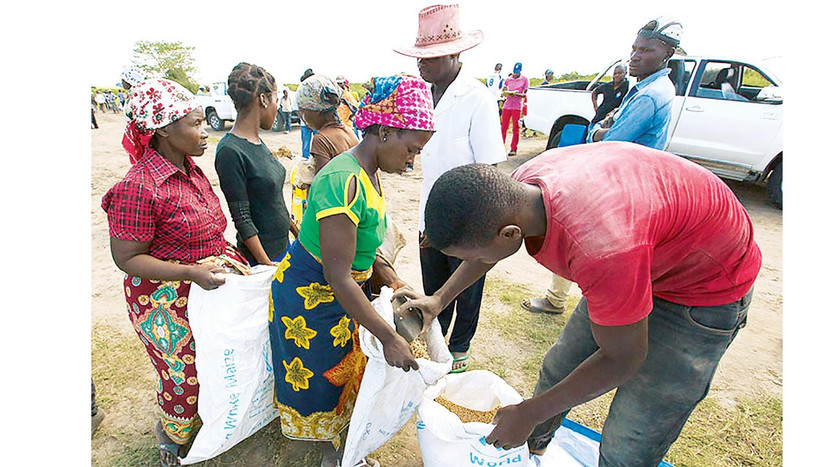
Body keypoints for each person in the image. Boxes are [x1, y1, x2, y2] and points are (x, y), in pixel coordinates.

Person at [402, 141, 761, 466]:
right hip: (643, 252)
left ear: (509, 234)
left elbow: (623, 359)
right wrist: (438, 300)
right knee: (560, 367)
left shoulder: (601, 249)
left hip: (702, 285)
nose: (478, 259)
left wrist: (529, 413)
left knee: (636, 427)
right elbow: (485, 253)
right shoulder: (520, 191)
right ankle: (533, 454)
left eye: (475, 253)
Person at [268, 74, 435, 467]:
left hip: (340, 294)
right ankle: (331, 450)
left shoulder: (370, 173)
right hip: (311, 298)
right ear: (382, 131)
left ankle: (341, 440)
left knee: (343, 370)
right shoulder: (342, 181)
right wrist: (390, 337)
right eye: (411, 149)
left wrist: (393, 280)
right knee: (321, 377)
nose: (412, 161)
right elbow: (338, 276)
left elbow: (367, 242)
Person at [102, 78, 250, 466]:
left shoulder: (189, 169)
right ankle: (173, 435)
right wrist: (189, 271)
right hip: (163, 296)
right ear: (165, 129)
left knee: (216, 359)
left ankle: (212, 418)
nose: (205, 133)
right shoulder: (140, 186)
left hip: (204, 283)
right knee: (182, 371)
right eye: (196, 124)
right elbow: (127, 258)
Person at [393, 3, 505, 373]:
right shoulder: (423, 98)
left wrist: (480, 229)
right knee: (435, 285)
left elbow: (490, 169)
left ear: (455, 54)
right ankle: (436, 345)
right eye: (419, 57)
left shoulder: (477, 99)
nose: (421, 64)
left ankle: (460, 347)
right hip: (432, 214)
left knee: (467, 288)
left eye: (430, 57)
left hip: (472, 219)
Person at [215, 62, 298, 267]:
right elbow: (242, 218)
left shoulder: (258, 143)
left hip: (282, 247)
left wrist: (298, 234)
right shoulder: (230, 151)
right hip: (262, 259)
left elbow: (273, 201)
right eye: (275, 100)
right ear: (263, 99)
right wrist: (267, 266)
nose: (277, 107)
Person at [589, 17, 682, 149]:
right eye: (634, 49)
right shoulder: (659, 86)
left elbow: (608, 145)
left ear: (668, 54)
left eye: (645, 50)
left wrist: (595, 131)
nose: (634, 57)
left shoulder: (649, 95)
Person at [296, 74, 359, 175]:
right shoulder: (348, 132)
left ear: (316, 111)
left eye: (303, 112)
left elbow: (323, 185)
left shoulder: (321, 140)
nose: (303, 117)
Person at [501, 62, 529, 156]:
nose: (515, 74)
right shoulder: (508, 79)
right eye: (514, 72)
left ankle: (513, 148)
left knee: (515, 128)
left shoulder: (524, 80)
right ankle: (500, 147)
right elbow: (504, 90)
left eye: (517, 72)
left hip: (516, 106)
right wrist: (505, 91)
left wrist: (516, 94)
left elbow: (524, 94)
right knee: (503, 127)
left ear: (520, 71)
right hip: (507, 105)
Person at [298, 68, 318, 159]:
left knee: (318, 143)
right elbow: (298, 110)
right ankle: (305, 161)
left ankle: (317, 159)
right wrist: (306, 122)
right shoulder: (300, 90)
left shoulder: (316, 89)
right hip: (305, 124)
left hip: (315, 123)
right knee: (306, 145)